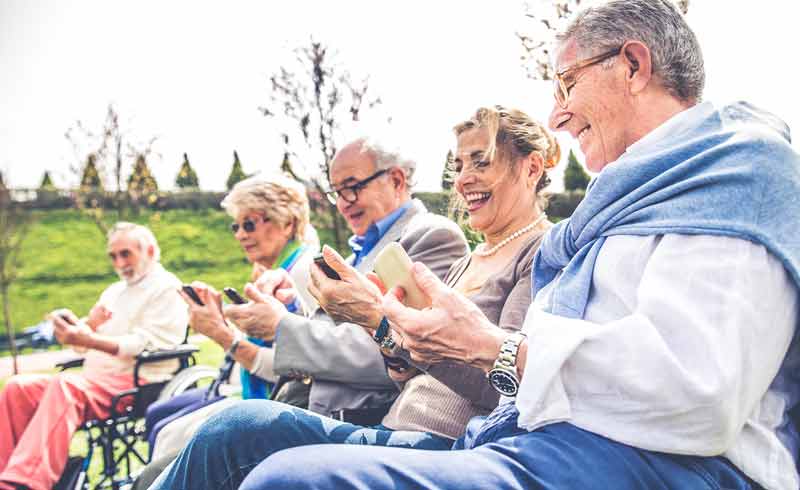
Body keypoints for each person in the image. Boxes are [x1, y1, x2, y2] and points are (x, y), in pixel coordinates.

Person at [218, 1, 800, 489]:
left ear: (632, 64)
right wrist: (397, 331)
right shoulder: (616, 211)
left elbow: (696, 394)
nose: (558, 112)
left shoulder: (733, 172)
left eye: (568, 82)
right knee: (236, 431)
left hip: (665, 463)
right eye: (458, 165)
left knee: (290, 478)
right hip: (549, 438)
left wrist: (480, 347)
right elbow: (480, 368)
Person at [148, 134, 482, 489]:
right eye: (336, 192)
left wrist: (278, 325)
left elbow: (387, 351)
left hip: (361, 416)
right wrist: (284, 315)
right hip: (314, 405)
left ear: (396, 180)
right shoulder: (357, 250)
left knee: (216, 436)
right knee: (166, 459)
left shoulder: (431, 236)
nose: (343, 204)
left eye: (352, 188)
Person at [132, 174, 320, 490]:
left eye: (251, 224)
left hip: (280, 411)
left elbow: (299, 369)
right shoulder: (274, 270)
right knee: (164, 428)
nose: (241, 235)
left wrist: (221, 334)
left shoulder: (301, 273)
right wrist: (219, 321)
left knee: (164, 447)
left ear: (287, 223)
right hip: (253, 398)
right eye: (236, 226)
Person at [0, 223, 188, 490]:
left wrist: (88, 338)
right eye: (113, 256)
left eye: (126, 254)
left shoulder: (166, 288)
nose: (119, 262)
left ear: (149, 250)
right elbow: (83, 345)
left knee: (66, 386)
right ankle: (5, 471)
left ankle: (25, 483)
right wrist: (85, 328)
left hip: (137, 381)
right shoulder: (114, 292)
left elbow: (148, 343)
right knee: (19, 387)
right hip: (95, 381)